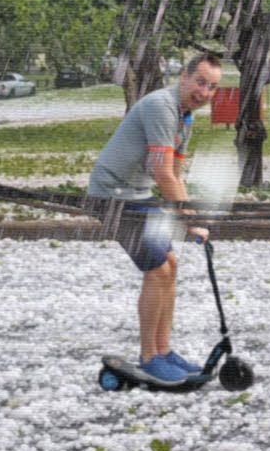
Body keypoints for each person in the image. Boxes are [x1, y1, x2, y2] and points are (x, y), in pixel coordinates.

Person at [88, 53, 222, 382]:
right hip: (112, 196)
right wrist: (191, 221)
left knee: (170, 265)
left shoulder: (185, 117)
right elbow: (162, 174)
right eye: (200, 82)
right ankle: (149, 358)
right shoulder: (161, 107)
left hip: (136, 196)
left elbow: (176, 173)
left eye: (212, 87)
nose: (204, 92)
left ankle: (164, 350)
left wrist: (189, 215)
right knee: (157, 269)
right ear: (184, 77)